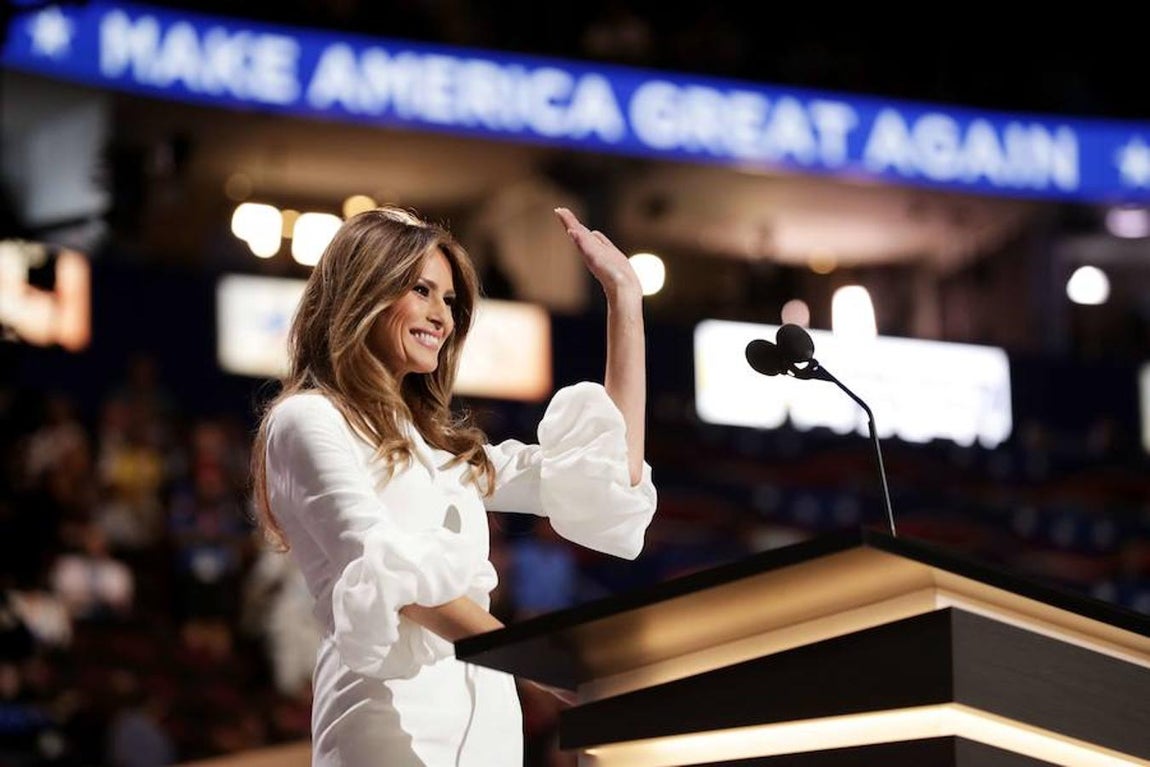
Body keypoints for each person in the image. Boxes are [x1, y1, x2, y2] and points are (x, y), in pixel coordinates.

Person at [250, 205, 656, 766]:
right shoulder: (307, 421)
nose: (442, 315)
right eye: (422, 289)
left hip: (487, 728)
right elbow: (392, 573)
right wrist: (544, 662)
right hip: (386, 728)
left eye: (449, 300)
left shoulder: (442, 452)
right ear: (364, 289)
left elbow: (610, 475)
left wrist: (624, 303)